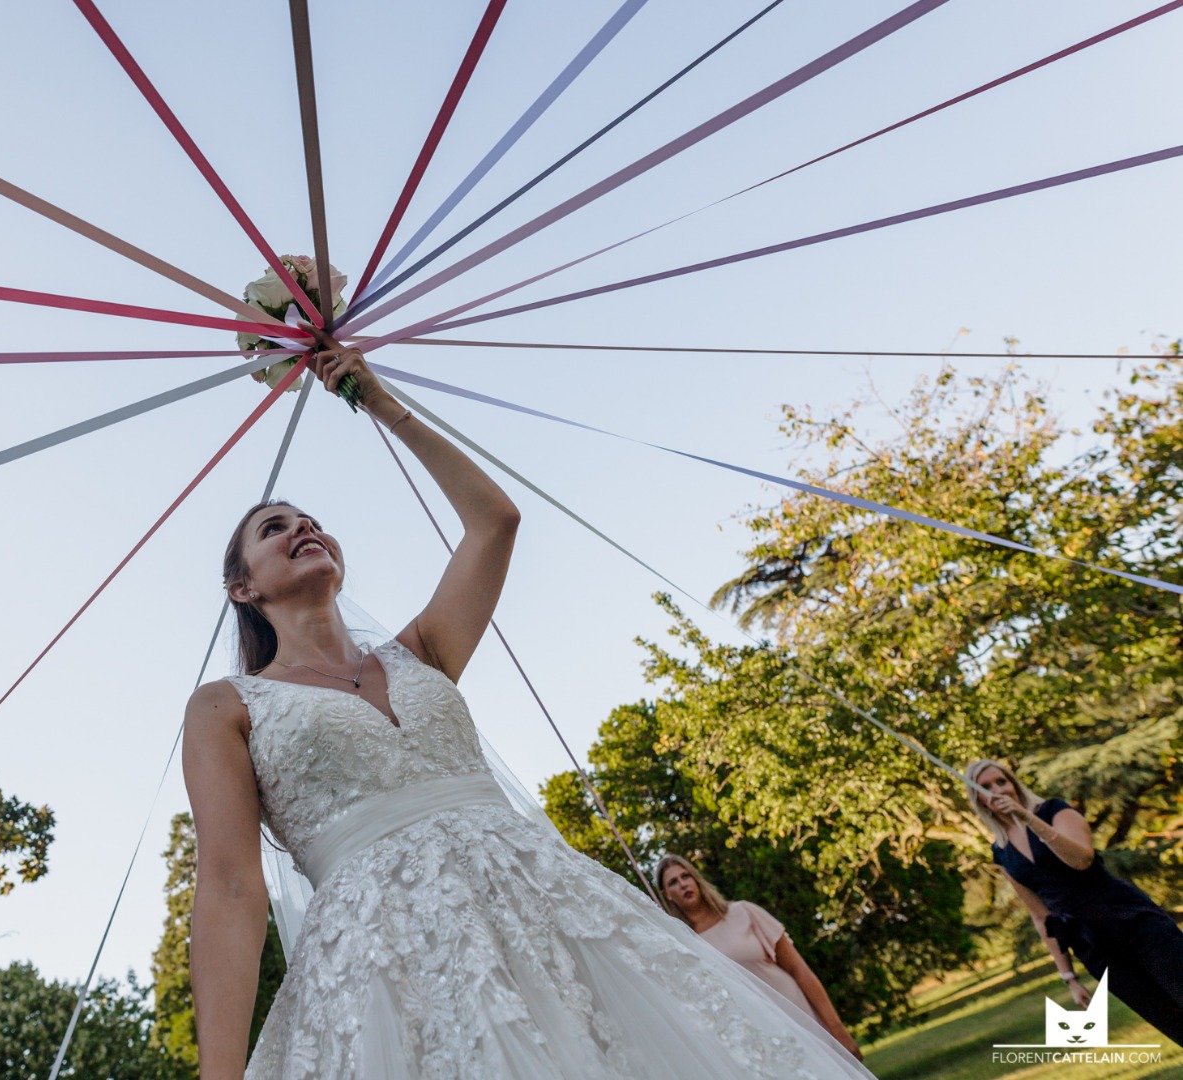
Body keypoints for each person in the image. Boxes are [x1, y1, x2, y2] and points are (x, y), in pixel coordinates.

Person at [182, 343, 873, 1079]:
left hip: (543, 905)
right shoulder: (226, 706)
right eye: (273, 528)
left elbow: (495, 521)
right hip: (387, 958)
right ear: (241, 587)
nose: (301, 528)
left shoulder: (421, 651)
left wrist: (375, 401)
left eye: (310, 519)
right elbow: (229, 886)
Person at [968, 758, 1183, 1044]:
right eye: (985, 786)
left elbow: (1081, 860)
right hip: (1093, 945)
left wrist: (1029, 818)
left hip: (1131, 919)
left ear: (1014, 784)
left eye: (1002, 781)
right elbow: (1040, 915)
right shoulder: (1001, 851)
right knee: (1169, 1020)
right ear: (978, 798)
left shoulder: (1054, 810)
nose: (998, 789)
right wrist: (1068, 976)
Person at [654, 854, 863, 1059]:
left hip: (799, 1014)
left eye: (686, 876)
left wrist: (837, 1028)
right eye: (673, 882)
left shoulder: (744, 912)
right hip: (762, 1039)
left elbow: (798, 968)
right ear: (667, 894)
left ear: (696, 879)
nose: (682, 884)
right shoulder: (686, 945)